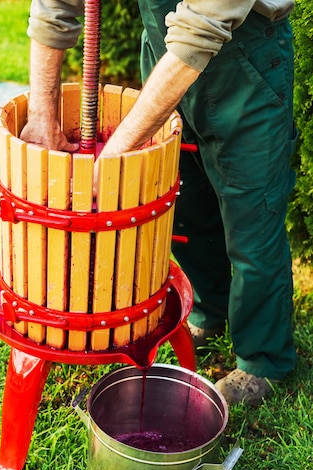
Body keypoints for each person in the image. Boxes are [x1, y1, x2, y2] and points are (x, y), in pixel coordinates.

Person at [20, 0, 297, 406]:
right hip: (165, 55)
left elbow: (199, 30)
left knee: (253, 219)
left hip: (246, 66)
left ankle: (263, 358)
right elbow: (55, 4)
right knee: (186, 204)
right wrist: (42, 113)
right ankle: (210, 308)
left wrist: (112, 159)